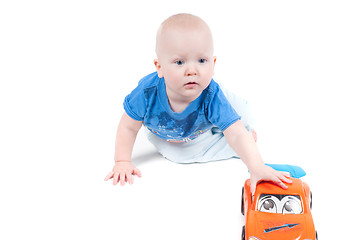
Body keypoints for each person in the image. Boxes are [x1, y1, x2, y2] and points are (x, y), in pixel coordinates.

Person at [104, 13, 292, 194]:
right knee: (178, 155)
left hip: (207, 110)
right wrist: (122, 161)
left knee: (240, 113)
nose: (192, 70)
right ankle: (229, 138)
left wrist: (256, 166)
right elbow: (128, 127)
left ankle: (235, 125)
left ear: (213, 62)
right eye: (179, 62)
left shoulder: (211, 94)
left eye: (202, 60)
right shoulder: (146, 94)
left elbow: (235, 133)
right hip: (175, 134)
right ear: (159, 67)